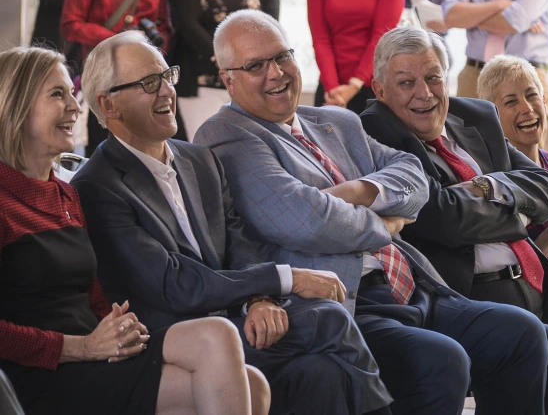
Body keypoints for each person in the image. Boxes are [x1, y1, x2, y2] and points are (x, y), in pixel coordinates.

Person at [194, 9, 548, 415]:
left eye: (282, 57)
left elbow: (413, 174)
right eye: (255, 65)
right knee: (441, 361)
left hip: (414, 287)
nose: (275, 73)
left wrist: (359, 188)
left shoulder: (336, 121)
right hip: (343, 304)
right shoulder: (228, 134)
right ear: (228, 78)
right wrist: (387, 222)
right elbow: (305, 218)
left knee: (520, 333)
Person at [71, 30, 392, 415]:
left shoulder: (197, 160)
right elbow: (174, 283)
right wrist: (284, 278)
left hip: (236, 320)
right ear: (109, 105)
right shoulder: (97, 185)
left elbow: (238, 244)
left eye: (166, 76)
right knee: (327, 318)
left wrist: (259, 299)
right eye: (148, 83)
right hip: (174, 340)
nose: (166, 92)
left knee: (321, 371)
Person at [0, 46, 270, 415]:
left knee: (253, 381)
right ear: (14, 106)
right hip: (44, 373)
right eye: (57, 94)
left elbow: (90, 293)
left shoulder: (65, 193)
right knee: (220, 343)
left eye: (71, 93)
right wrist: (81, 347)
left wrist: (116, 326)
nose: (75, 108)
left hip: (95, 353)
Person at [360, 25, 548, 415]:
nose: (424, 93)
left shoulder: (476, 116)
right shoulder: (377, 130)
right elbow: (443, 220)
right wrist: (517, 211)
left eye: (433, 77)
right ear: (381, 91)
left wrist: (488, 188)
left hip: (535, 282)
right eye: (406, 82)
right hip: (471, 291)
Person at [477, 54, 548, 329]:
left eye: (532, 95)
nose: (527, 108)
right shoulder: (493, 185)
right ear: (490, 115)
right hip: (534, 301)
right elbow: (518, 272)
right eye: (511, 101)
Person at [60, 0, 186, 155]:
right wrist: (121, 40)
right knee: (105, 146)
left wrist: (149, 44)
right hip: (107, 73)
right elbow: (71, 24)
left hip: (150, 75)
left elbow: (165, 29)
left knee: (161, 140)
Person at [168, 0, 279, 140]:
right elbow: (187, 22)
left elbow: (270, 22)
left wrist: (249, 61)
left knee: (252, 147)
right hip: (202, 78)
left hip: (253, 78)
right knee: (207, 150)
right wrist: (225, 58)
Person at [442, 0, 548, 127]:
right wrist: (501, 5)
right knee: (467, 146)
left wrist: (470, 17)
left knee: (525, 146)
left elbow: (516, 20)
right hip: (474, 75)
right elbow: (450, 15)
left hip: (526, 75)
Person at [307, 0, 404, 114]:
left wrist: (354, 85)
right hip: (332, 92)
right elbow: (320, 39)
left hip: (374, 88)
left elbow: (381, 36)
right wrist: (332, 89)